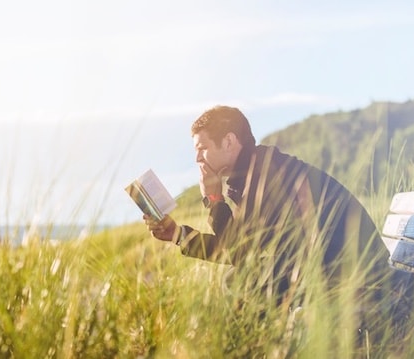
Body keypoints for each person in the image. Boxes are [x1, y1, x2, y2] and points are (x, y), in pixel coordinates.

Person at [144, 105, 394, 337]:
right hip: (333, 268)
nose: (198, 158)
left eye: (202, 148)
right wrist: (177, 234)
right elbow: (238, 248)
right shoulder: (255, 172)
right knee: (238, 277)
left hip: (358, 279)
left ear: (229, 141)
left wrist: (213, 198)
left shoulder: (266, 175)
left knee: (239, 280)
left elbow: (238, 251)